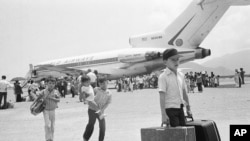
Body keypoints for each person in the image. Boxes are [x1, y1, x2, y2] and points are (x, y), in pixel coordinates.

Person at [158, 48, 192, 127]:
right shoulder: (163, 77)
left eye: (177, 59)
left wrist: (188, 108)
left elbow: (184, 93)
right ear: (165, 62)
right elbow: (162, 96)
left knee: (183, 133)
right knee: (176, 134)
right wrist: (163, 114)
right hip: (170, 110)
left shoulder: (181, 75)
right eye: (173, 59)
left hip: (180, 109)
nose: (176, 61)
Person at [83, 75, 112, 141]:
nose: (102, 85)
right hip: (92, 110)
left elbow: (108, 103)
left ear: (107, 82)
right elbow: (90, 98)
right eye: (101, 84)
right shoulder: (96, 89)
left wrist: (102, 109)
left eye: (104, 83)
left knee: (103, 127)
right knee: (91, 124)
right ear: (99, 84)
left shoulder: (109, 93)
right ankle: (85, 138)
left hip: (101, 112)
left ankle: (101, 139)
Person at [36, 76, 60, 141]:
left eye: (53, 83)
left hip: (53, 110)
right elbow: (38, 98)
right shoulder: (43, 91)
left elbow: (58, 100)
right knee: (47, 125)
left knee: (52, 126)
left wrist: (51, 98)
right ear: (46, 83)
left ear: (55, 84)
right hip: (45, 110)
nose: (51, 85)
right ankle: (47, 139)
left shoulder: (56, 92)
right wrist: (39, 98)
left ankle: (51, 138)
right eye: (49, 83)